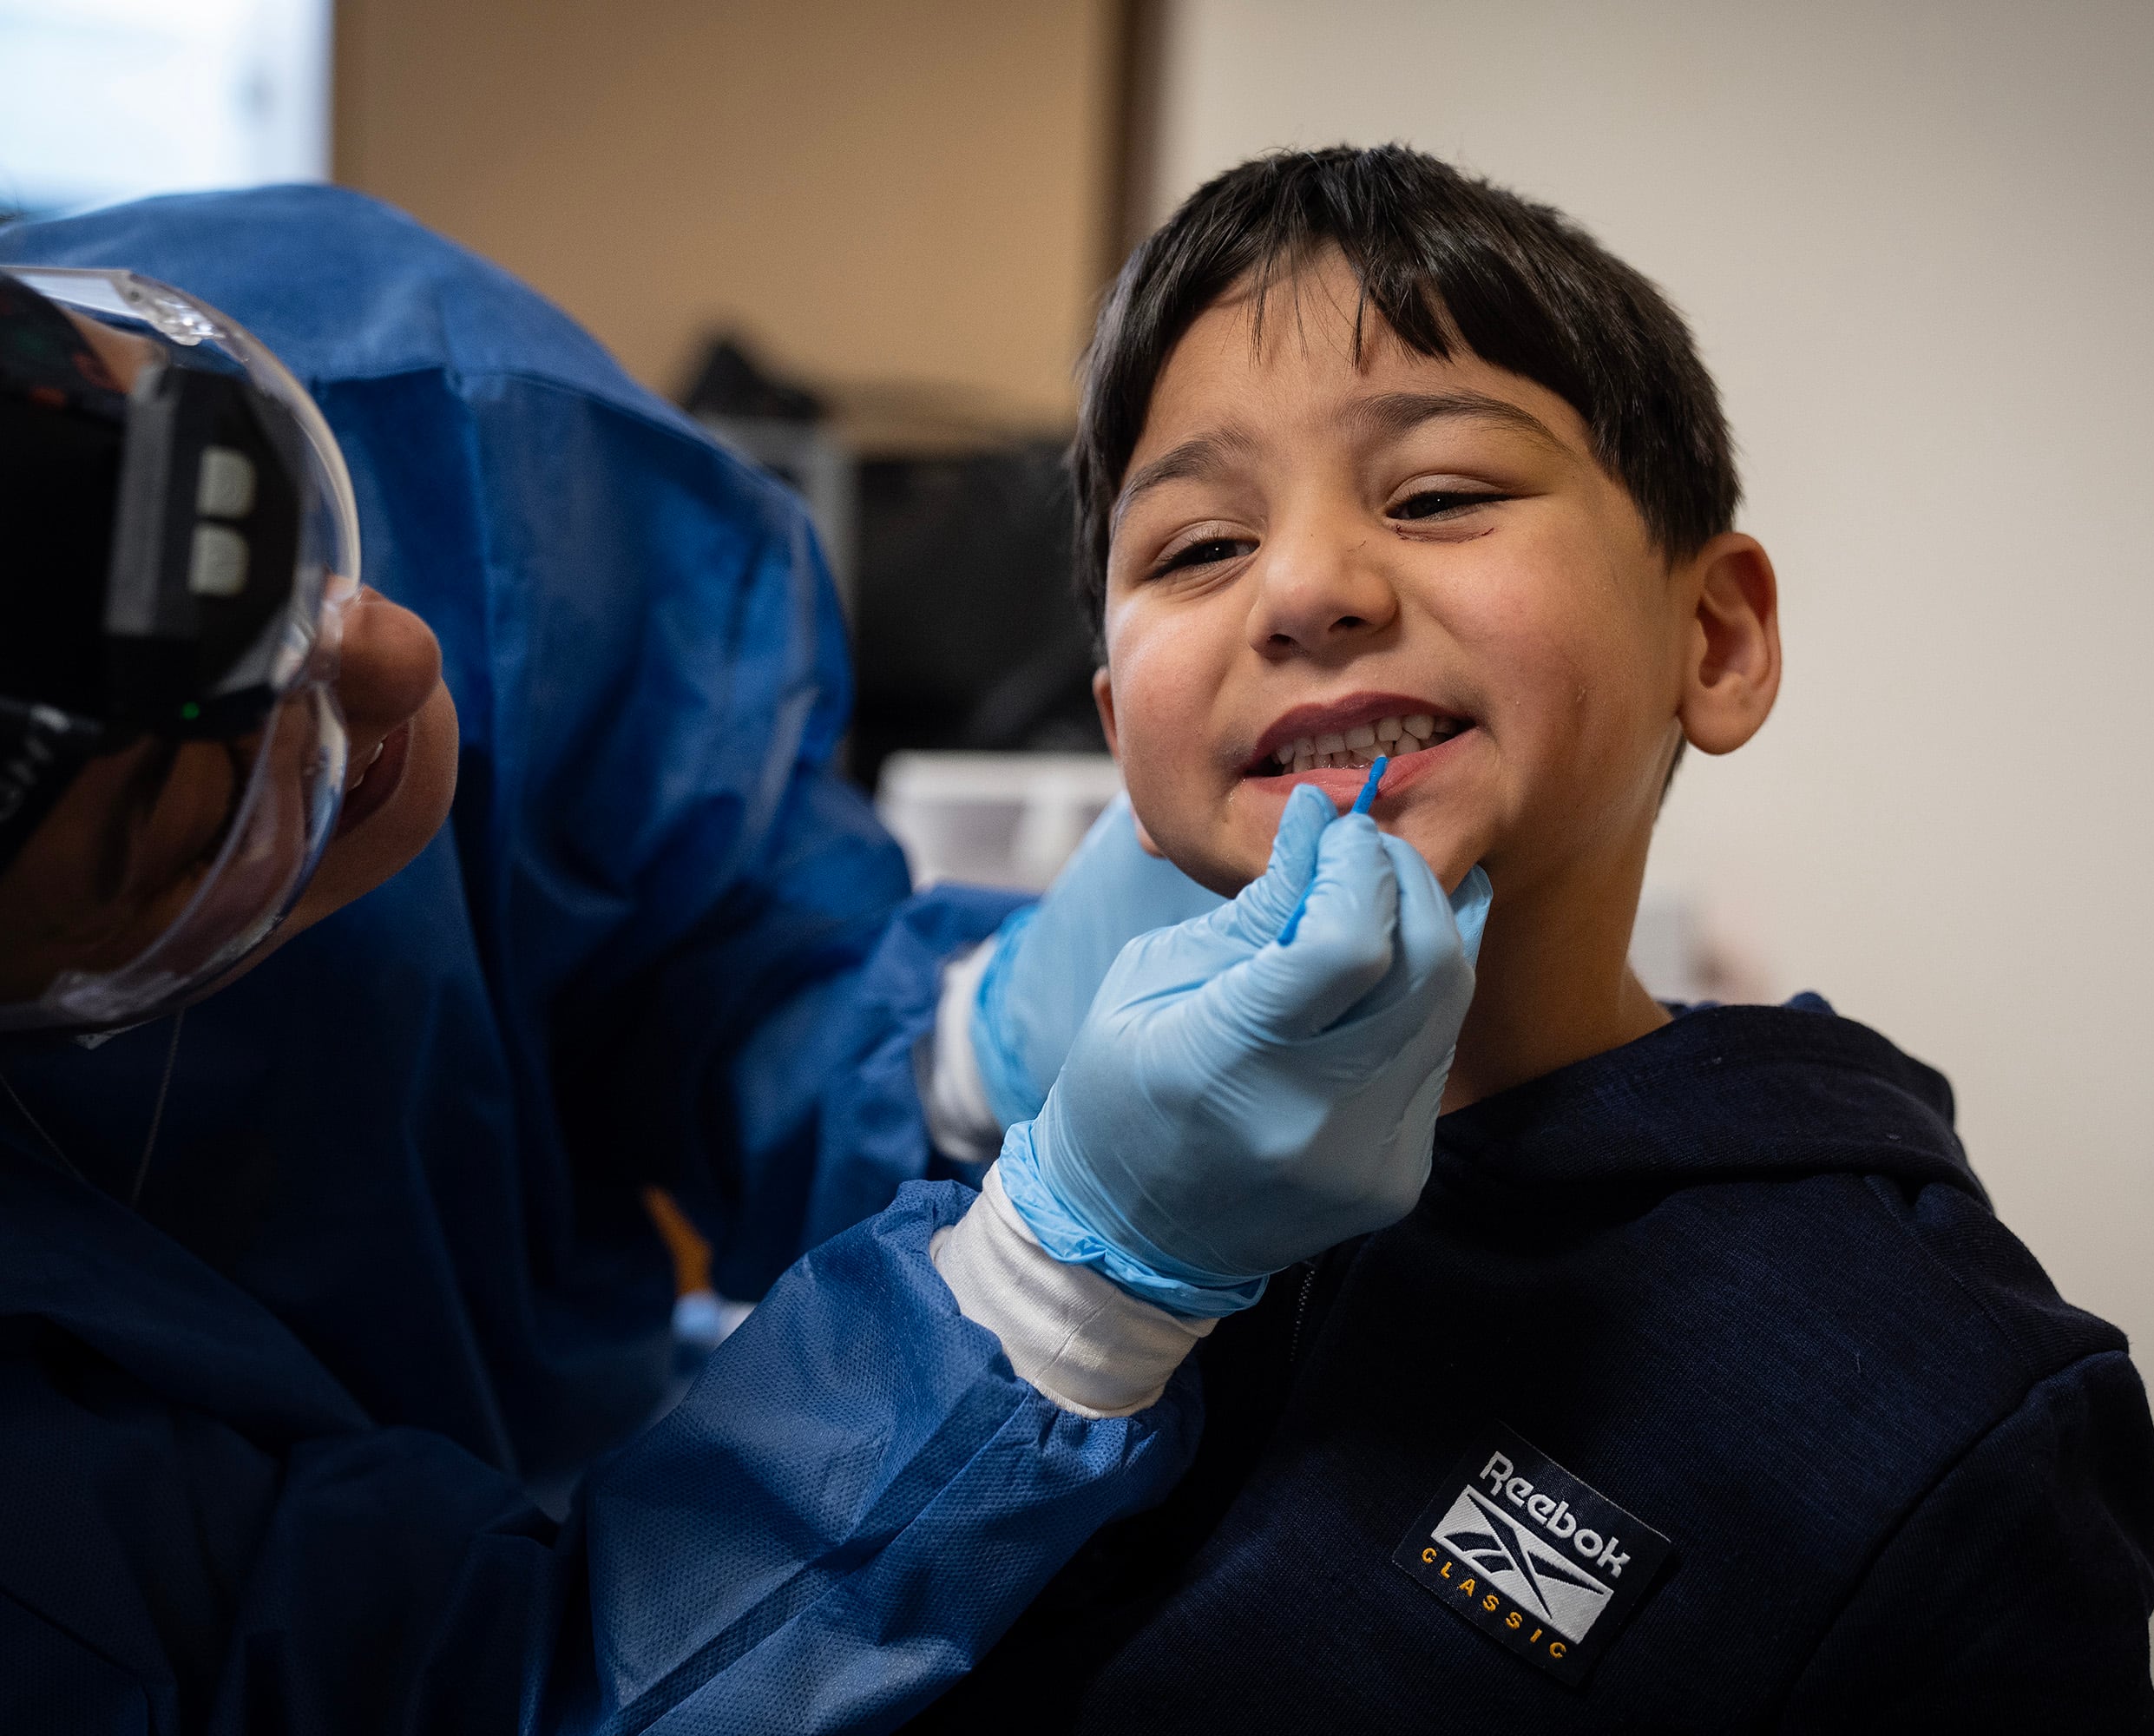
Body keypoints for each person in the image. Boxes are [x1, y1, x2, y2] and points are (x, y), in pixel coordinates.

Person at [0, 187, 1482, 1732]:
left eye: (1444, 496)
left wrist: (969, 1045)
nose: (395, 659)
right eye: (218, 807)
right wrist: (1059, 1294)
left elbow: (713, 965)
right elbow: (459, 1693)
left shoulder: (440, 413)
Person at [911, 147, 2154, 1732]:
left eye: (1438, 495)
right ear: (1117, 739)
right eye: (1198, 547)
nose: (1301, 587)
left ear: (1710, 640)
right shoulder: (1030, 1220)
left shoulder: (1926, 1395)